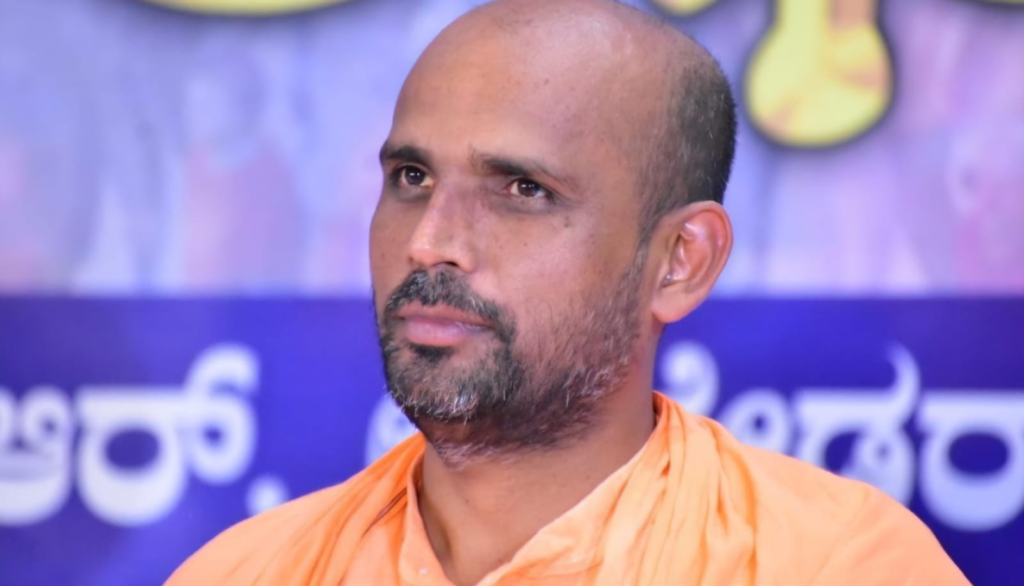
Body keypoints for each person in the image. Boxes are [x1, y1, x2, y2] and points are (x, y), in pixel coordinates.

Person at [168, 0, 968, 584]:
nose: (430, 242)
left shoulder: (834, 564)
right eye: (411, 177)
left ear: (680, 261)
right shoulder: (250, 570)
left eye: (523, 189)